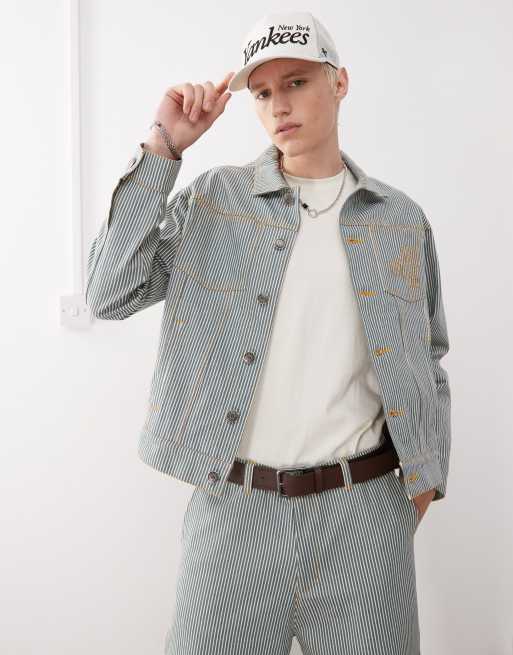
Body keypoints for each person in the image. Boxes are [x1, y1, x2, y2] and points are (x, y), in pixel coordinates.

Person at [86, 10, 451, 654]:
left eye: (296, 83)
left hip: (364, 515)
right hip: (234, 511)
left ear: (339, 83)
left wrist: (426, 479)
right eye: (261, 93)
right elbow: (109, 292)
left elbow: (430, 353)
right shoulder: (215, 203)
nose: (278, 105)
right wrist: (164, 148)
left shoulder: (398, 220)